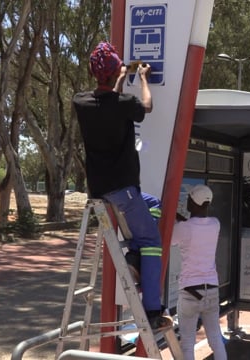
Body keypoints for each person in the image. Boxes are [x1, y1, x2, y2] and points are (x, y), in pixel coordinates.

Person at [72, 41, 171, 330]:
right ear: (116, 69)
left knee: (153, 203)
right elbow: (147, 106)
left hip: (100, 189)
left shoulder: (81, 101)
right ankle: (153, 311)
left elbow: (106, 103)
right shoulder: (125, 105)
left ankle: (134, 257)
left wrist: (117, 79)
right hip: (124, 191)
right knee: (153, 242)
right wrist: (141, 79)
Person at [171, 184, 227, 360]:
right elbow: (193, 225)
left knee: (187, 343)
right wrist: (180, 218)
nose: (186, 201)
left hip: (189, 292)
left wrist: (172, 215)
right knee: (216, 339)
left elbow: (173, 238)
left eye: (188, 198)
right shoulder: (215, 224)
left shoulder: (184, 228)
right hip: (211, 290)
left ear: (193, 202)